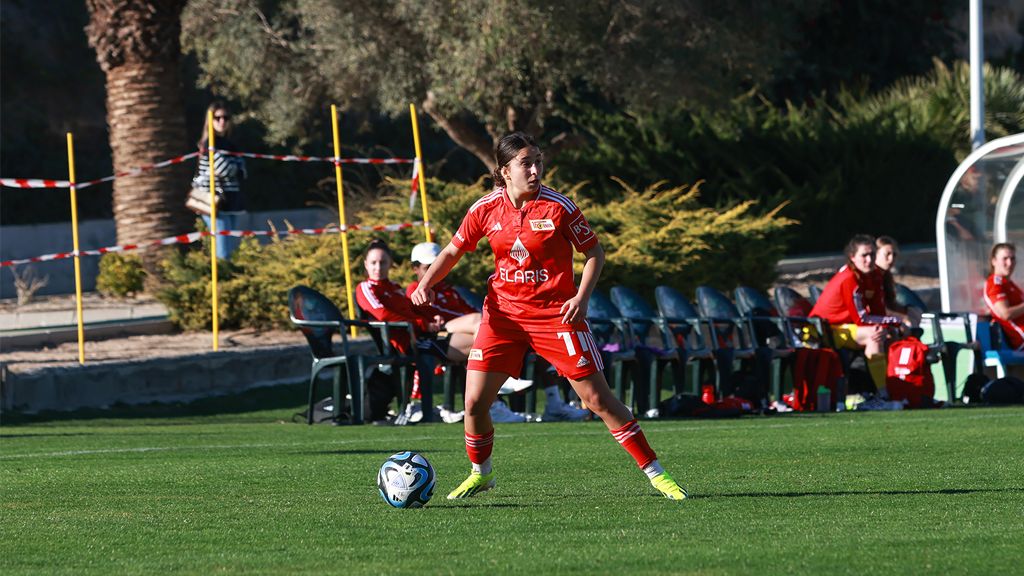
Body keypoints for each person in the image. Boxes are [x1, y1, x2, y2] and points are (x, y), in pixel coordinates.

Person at [410, 132, 686, 501]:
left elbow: (594, 254)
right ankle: (481, 473)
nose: (536, 169)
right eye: (526, 163)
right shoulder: (484, 209)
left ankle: (656, 473)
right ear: (505, 171)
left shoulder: (559, 207)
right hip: (502, 316)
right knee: (474, 402)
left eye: (539, 161)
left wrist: (581, 298)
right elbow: (451, 251)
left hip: (555, 316)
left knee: (597, 401)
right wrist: (424, 282)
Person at [407, 241, 589, 423]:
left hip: (457, 334)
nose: (435, 270)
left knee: (522, 338)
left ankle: (553, 403)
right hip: (434, 337)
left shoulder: (449, 291)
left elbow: (466, 310)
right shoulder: (415, 289)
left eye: (437, 264)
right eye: (428, 267)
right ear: (415, 268)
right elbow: (409, 316)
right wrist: (427, 323)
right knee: (481, 323)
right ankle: (499, 387)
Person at [355, 239, 470, 424]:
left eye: (383, 262)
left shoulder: (395, 288)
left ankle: (483, 403)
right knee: (478, 342)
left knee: (478, 339)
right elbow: (383, 314)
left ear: (390, 264)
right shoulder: (366, 288)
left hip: (424, 338)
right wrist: (424, 324)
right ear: (366, 264)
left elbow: (414, 313)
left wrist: (431, 320)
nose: (378, 267)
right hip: (413, 345)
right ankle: (490, 399)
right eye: (374, 262)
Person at [810, 234, 902, 406]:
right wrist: (895, 321)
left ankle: (899, 389)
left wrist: (890, 327)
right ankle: (882, 395)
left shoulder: (873, 276)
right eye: (864, 256)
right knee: (872, 334)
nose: (869, 260)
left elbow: (877, 311)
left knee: (888, 334)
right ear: (852, 257)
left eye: (872, 255)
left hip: (848, 327)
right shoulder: (849, 278)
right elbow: (861, 318)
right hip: (825, 329)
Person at [193, 101, 247, 260]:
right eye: (217, 118)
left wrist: (232, 167)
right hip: (212, 200)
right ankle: (222, 282)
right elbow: (226, 169)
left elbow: (243, 172)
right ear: (210, 120)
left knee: (229, 249)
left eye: (226, 117)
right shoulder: (208, 143)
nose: (222, 121)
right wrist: (233, 166)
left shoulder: (231, 145)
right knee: (222, 251)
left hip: (231, 200)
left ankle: (227, 279)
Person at [871, 236, 922, 327]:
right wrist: (903, 317)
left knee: (915, 312)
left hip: (885, 315)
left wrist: (907, 311)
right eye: (887, 254)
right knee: (907, 322)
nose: (891, 259)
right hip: (875, 319)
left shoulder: (886, 276)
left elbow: (891, 303)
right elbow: (876, 308)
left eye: (894, 255)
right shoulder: (871, 277)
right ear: (876, 254)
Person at [984, 243, 1024, 351]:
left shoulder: (1008, 283)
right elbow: (1005, 313)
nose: (1010, 263)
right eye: (1005, 259)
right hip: (1020, 339)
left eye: (1013, 258)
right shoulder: (995, 283)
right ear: (994, 261)